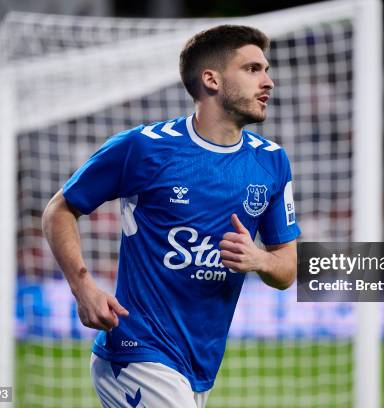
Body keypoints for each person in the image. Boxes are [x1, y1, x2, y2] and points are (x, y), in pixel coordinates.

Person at [42, 25, 300, 407]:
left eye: (266, 69)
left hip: (198, 365)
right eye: (252, 69)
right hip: (136, 351)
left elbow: (287, 268)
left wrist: (259, 259)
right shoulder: (144, 148)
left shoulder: (272, 161)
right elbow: (59, 209)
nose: (269, 81)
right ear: (211, 79)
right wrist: (84, 288)